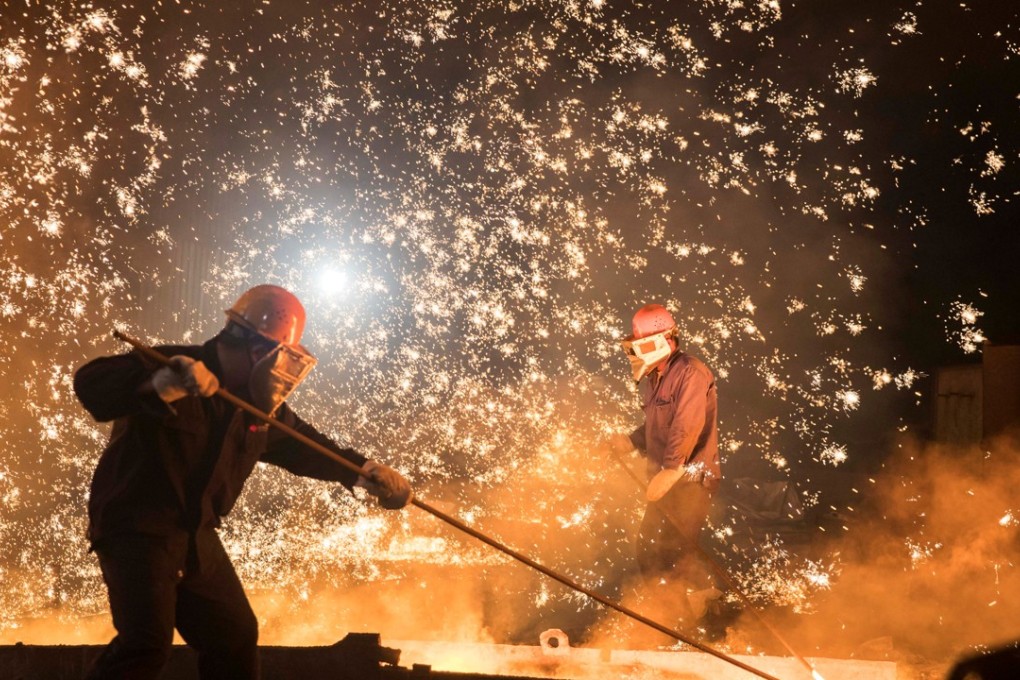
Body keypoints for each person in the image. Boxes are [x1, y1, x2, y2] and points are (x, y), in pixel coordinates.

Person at [74, 284, 411, 680]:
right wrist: (163, 383)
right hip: (138, 529)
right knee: (145, 645)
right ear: (256, 350)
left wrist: (367, 472)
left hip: (196, 536)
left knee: (233, 637)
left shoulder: (255, 404)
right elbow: (92, 384)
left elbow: (303, 446)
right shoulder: (173, 363)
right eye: (278, 356)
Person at [598, 303, 721, 623]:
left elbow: (687, 425)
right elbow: (657, 426)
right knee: (648, 549)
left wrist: (672, 467)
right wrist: (628, 442)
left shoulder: (690, 372)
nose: (634, 350)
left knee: (672, 555)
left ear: (661, 340)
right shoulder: (658, 378)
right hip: (668, 479)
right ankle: (676, 610)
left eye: (639, 342)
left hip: (690, 479)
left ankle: (688, 622)